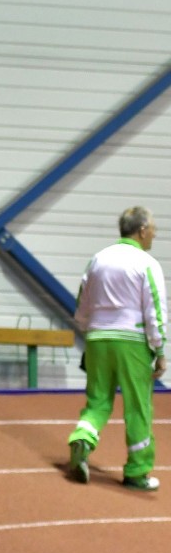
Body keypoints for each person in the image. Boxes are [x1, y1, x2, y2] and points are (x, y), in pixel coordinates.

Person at [68, 206, 166, 490]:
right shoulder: (146, 263)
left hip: (98, 338)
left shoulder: (98, 259)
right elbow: (155, 310)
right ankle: (137, 471)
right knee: (138, 407)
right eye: (153, 229)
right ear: (142, 230)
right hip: (132, 342)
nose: (155, 234)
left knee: (98, 401)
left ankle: (82, 438)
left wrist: (89, 329)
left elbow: (83, 302)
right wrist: (160, 350)